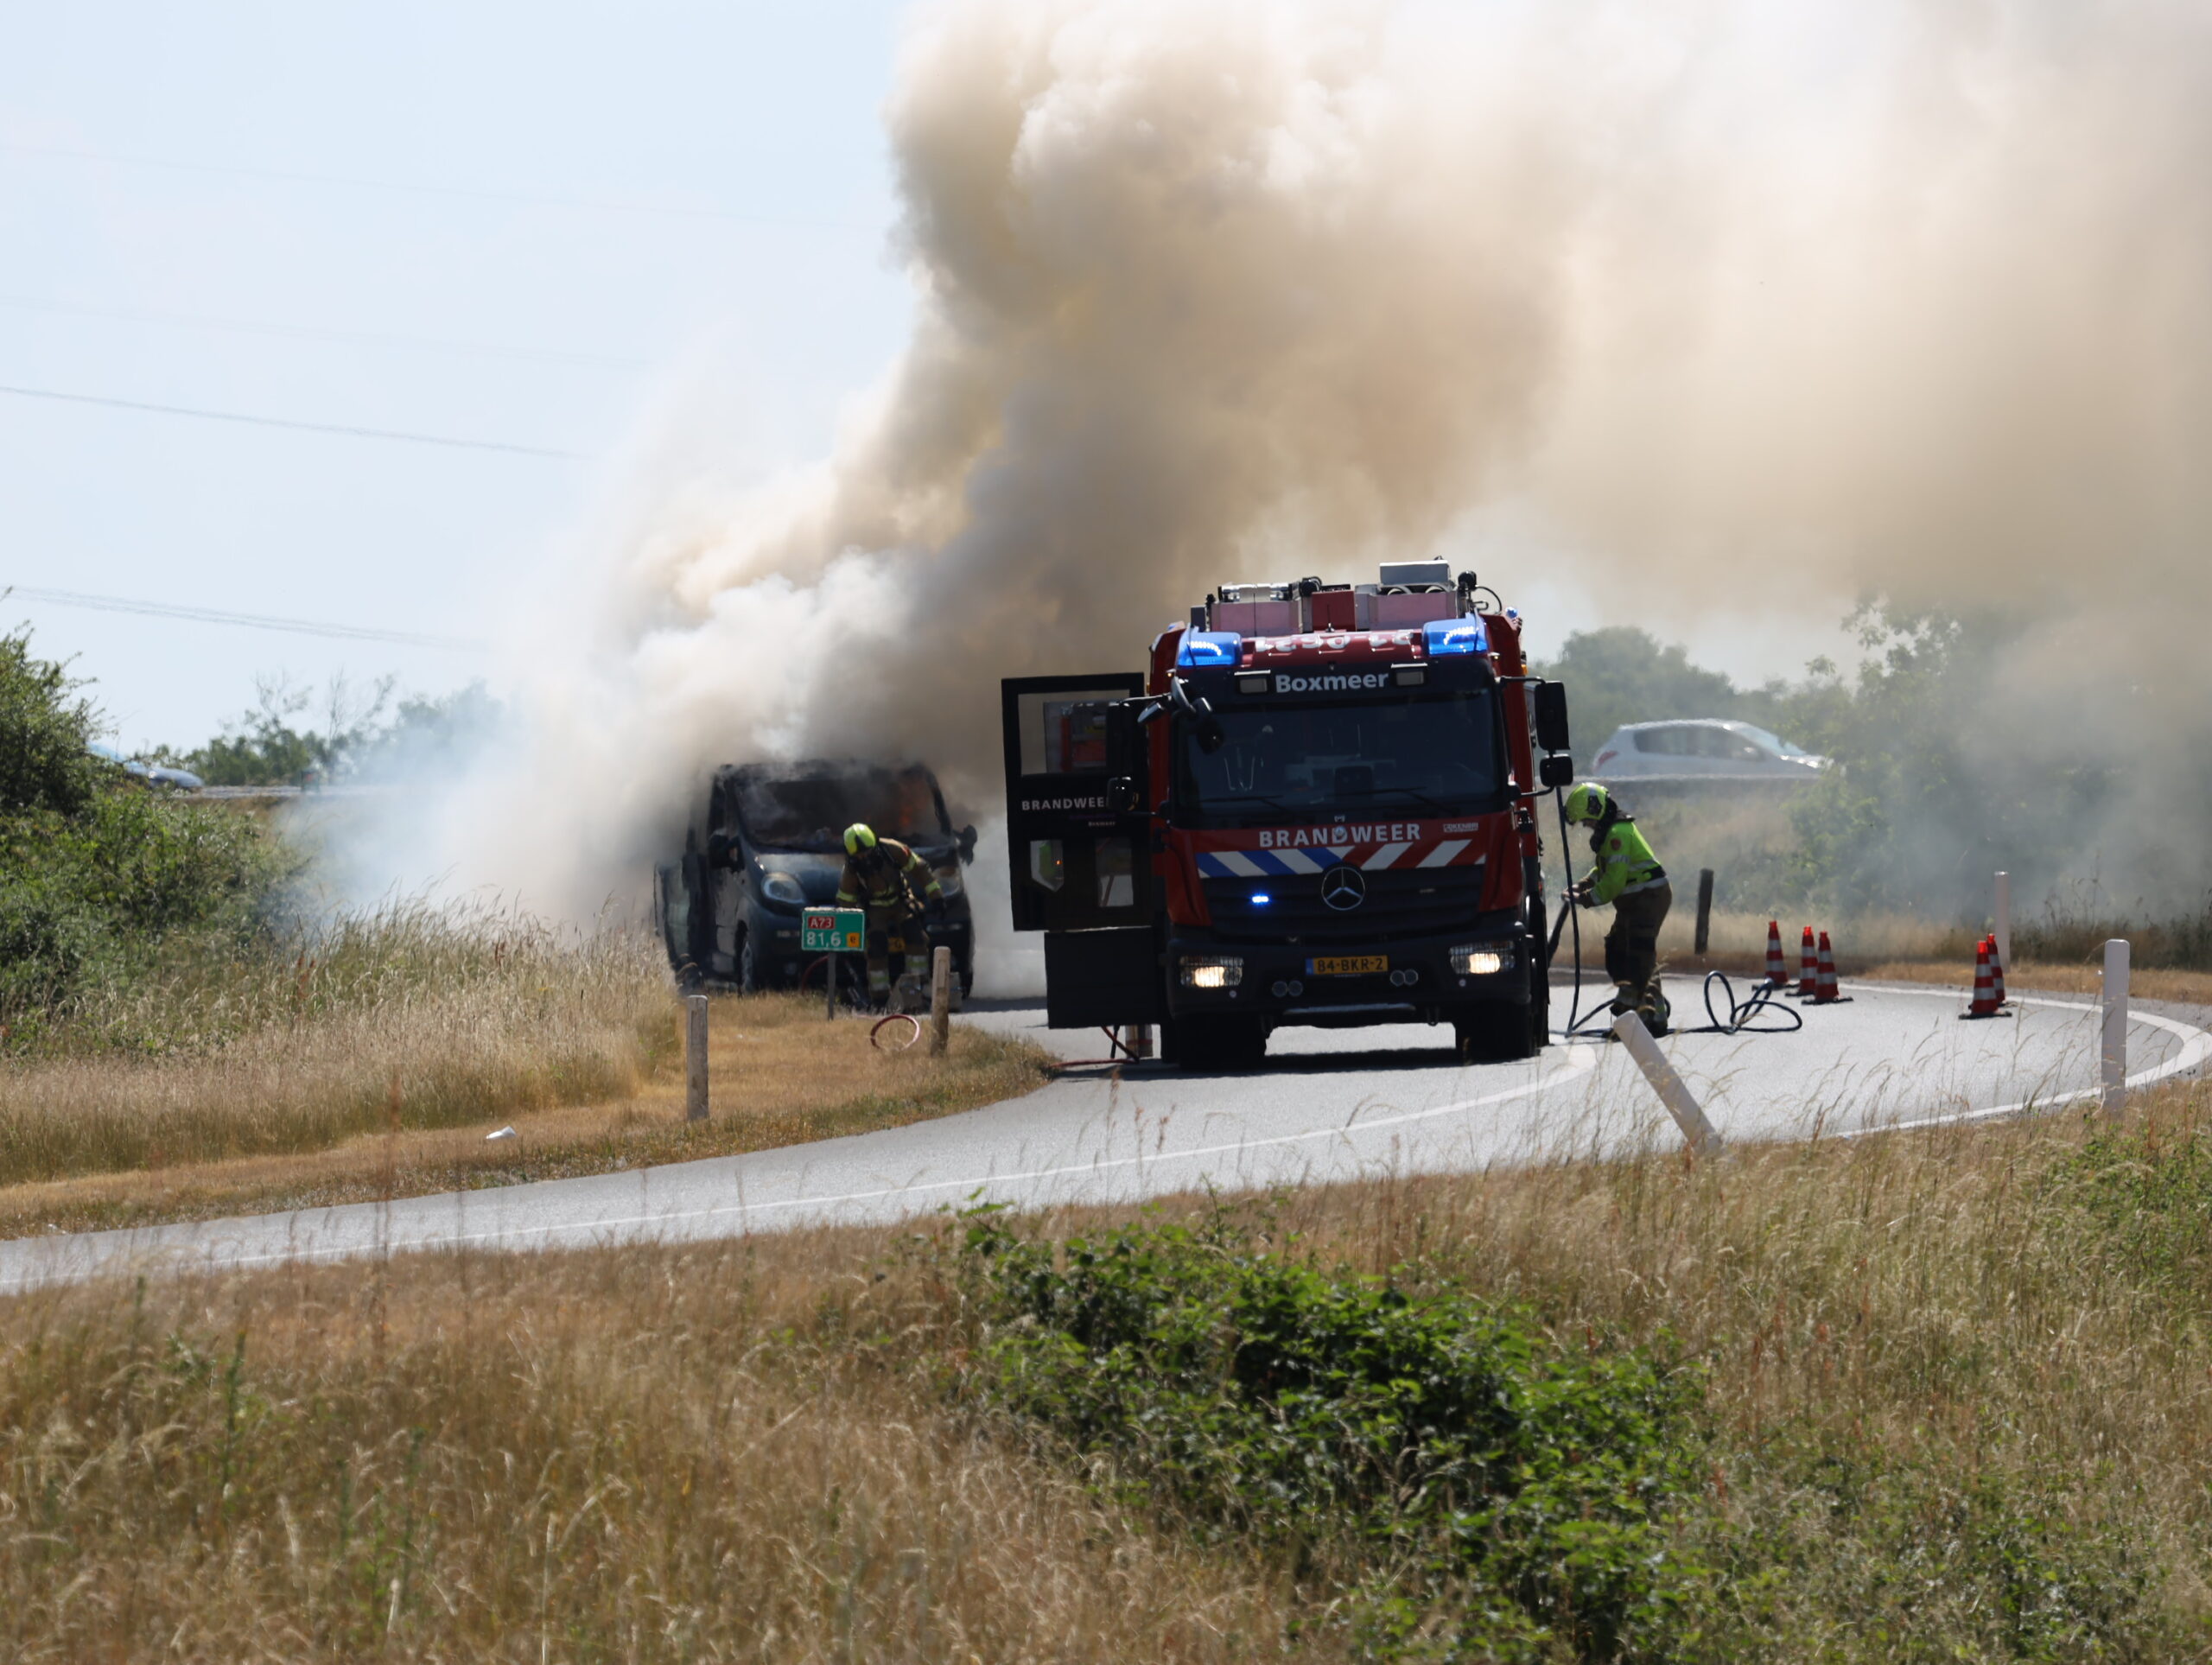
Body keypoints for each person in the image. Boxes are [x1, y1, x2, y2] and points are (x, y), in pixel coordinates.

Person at [1563, 782, 1672, 1033]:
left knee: (1638, 956)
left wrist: (1586, 898)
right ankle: (1638, 1010)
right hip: (1634, 902)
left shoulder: (1617, 835)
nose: (1586, 826)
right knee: (1618, 948)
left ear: (1596, 810)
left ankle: (1646, 1019)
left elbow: (1613, 882)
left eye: (1587, 821)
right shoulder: (1611, 832)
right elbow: (1606, 868)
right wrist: (1586, 883)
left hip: (1648, 899)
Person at [836, 823, 945, 1008]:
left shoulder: (893, 850)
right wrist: (851, 930)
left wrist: (936, 897)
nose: (865, 857)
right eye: (860, 855)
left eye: (868, 852)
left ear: (875, 845)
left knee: (915, 936)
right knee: (876, 944)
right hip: (874, 908)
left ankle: (917, 990)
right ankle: (880, 998)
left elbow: (920, 869)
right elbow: (846, 899)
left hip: (900, 900)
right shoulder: (851, 869)